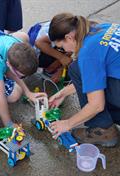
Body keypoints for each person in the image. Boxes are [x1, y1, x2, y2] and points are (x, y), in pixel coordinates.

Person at [48, 13, 120, 147]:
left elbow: (96, 105)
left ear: (69, 37)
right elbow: (94, 76)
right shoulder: (102, 28)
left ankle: (103, 131)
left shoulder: (88, 52)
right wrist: (63, 93)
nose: (64, 51)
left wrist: (67, 124)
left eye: (61, 47)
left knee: (75, 68)